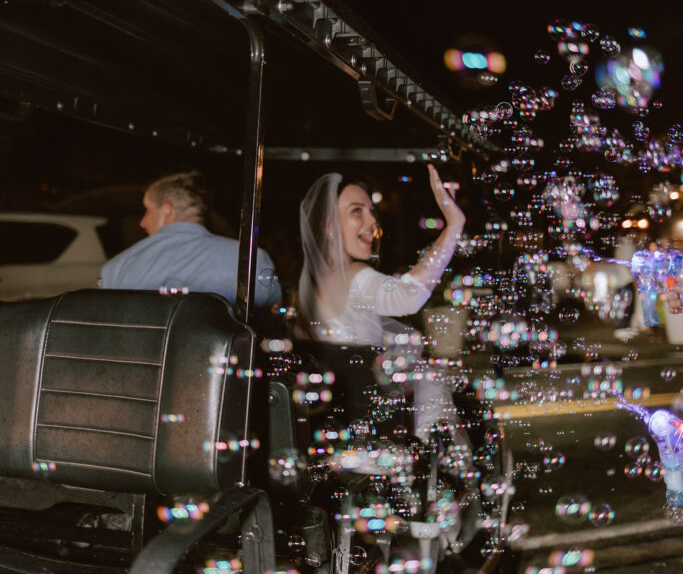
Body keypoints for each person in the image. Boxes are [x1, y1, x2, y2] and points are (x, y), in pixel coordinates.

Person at [297, 163, 465, 438]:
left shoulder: (307, 288)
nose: (372, 222)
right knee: (433, 378)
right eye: (356, 212)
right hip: (377, 435)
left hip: (334, 431)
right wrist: (454, 224)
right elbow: (408, 298)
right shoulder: (354, 275)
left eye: (371, 211)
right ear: (328, 227)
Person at [101, 170, 282, 310]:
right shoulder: (252, 260)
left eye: (147, 210)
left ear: (167, 210)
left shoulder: (117, 267)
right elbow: (270, 323)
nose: (142, 222)